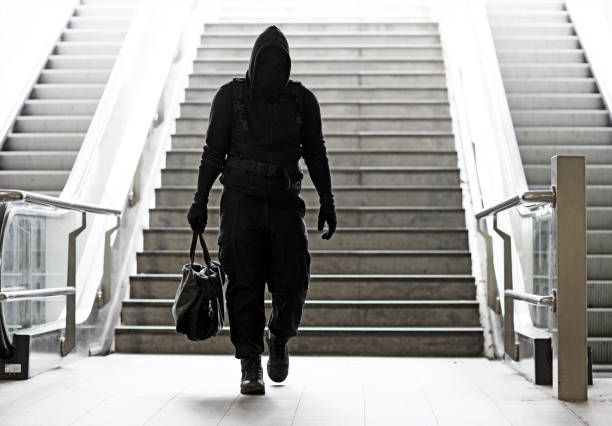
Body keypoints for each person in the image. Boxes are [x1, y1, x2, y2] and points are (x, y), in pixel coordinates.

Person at [187, 25, 336, 395]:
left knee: (294, 280)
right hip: (240, 203)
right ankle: (249, 361)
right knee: (244, 286)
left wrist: (328, 201)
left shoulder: (302, 103)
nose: (271, 72)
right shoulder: (229, 97)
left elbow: (316, 155)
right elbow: (212, 154)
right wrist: (200, 199)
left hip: (285, 206)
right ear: (254, 63)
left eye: (278, 65)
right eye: (265, 63)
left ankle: (279, 336)